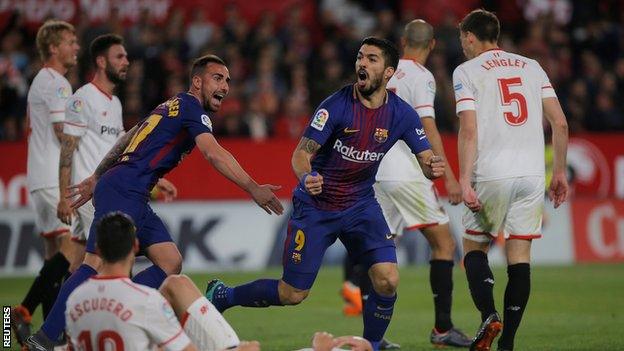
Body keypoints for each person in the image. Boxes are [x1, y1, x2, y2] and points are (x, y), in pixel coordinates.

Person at [25, 54, 284, 350]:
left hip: (129, 188)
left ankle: (120, 310)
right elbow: (213, 153)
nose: (225, 85)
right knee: (94, 262)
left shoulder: (169, 104)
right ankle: (45, 338)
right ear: (197, 81)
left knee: (169, 260)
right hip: (127, 188)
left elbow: (130, 137)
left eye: (227, 80)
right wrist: (252, 187)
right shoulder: (191, 107)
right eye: (217, 78)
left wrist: (98, 175)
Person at [205, 37, 445, 351]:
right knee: (293, 294)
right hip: (317, 207)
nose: (362, 63)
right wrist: (308, 176)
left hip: (361, 205)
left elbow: (426, 158)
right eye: (360, 57)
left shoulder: (402, 115)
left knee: (388, 278)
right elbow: (300, 154)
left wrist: (433, 166)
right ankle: (225, 296)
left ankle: (371, 345)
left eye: (371, 59)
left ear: (388, 73)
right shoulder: (336, 106)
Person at [341, 19, 470, 350]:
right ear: (431, 46)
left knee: (376, 256)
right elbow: (427, 125)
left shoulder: (380, 70)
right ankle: (442, 328)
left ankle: (371, 339)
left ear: (401, 41)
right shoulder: (421, 76)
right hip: (406, 173)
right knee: (444, 245)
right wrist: (450, 176)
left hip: (374, 171)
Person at [453, 10, 569, 351]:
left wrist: (463, 179)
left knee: (475, 248)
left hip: (491, 172)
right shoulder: (532, 67)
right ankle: (508, 345)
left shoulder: (467, 71)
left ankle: (489, 315)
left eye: (463, 40)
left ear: (471, 37)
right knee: (520, 257)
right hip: (532, 175)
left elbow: (469, 129)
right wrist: (559, 172)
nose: (462, 46)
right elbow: (560, 124)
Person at [57, 34, 177, 270]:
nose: (126, 62)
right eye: (119, 56)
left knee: (78, 265)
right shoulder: (81, 99)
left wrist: (157, 180)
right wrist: (63, 197)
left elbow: (122, 151)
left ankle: (59, 306)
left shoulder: (115, 103)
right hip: (90, 194)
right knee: (118, 262)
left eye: (126, 57)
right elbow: (66, 150)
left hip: (103, 189)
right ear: (101, 62)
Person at [65, 211, 260, 351]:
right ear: (135, 246)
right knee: (179, 285)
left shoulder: (75, 298)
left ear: (97, 249)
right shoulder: (145, 299)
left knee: (175, 284)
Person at [12, 19, 81, 345]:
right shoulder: (57, 82)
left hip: (39, 175)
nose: (76, 47)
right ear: (53, 48)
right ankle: (18, 314)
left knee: (53, 258)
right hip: (53, 177)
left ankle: (44, 338)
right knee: (70, 253)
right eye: (70, 41)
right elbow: (61, 132)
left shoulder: (43, 80)